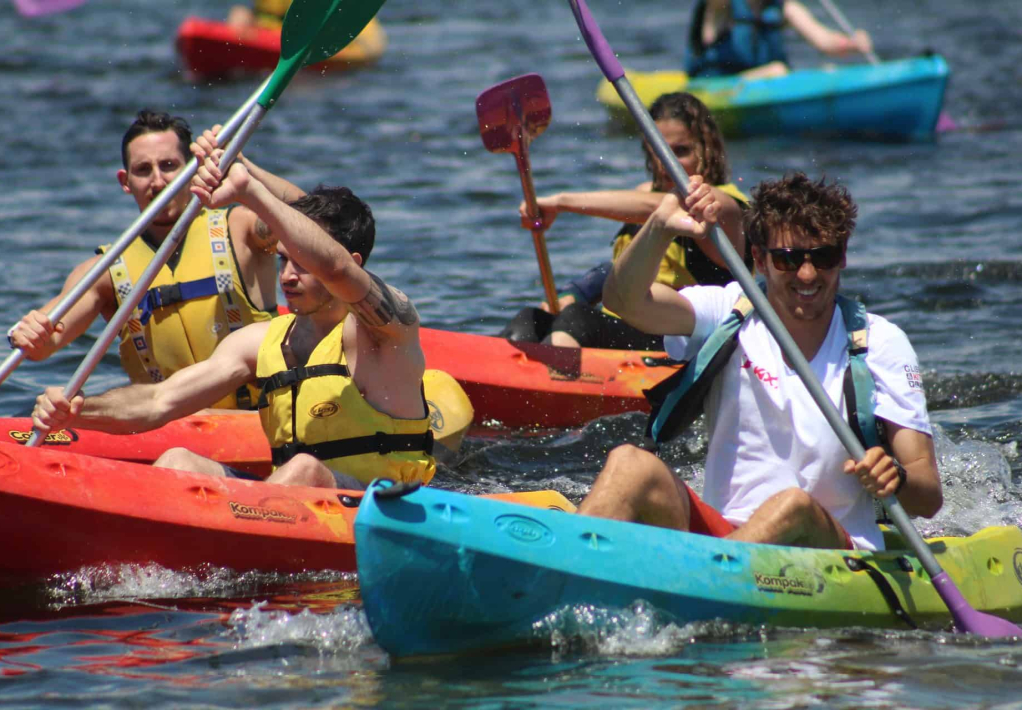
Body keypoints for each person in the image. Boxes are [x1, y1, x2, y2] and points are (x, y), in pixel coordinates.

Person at [31, 135, 436, 490]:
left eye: (301, 263)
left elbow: (335, 268)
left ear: (353, 261)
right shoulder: (261, 342)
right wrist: (78, 411)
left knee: (304, 469)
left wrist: (249, 191)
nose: (288, 277)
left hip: (384, 503)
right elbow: (158, 401)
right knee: (178, 461)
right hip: (283, 503)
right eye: (283, 262)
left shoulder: (386, 330)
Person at [576, 172, 941, 551]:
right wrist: (660, 227)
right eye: (787, 259)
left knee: (792, 505)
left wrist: (895, 477)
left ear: (843, 257)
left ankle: (707, 581)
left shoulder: (880, 343)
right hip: (728, 537)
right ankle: (561, 568)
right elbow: (624, 302)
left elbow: (928, 496)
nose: (807, 274)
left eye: (824, 257)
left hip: (831, 549)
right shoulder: (729, 311)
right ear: (758, 259)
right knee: (629, 463)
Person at [9, 109, 298, 409]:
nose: (158, 182)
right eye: (144, 170)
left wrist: (242, 170)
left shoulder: (242, 230)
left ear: (192, 168)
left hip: (258, 419)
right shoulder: (106, 272)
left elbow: (317, 221)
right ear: (125, 181)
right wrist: (25, 333)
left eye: (170, 166)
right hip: (166, 427)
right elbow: (44, 345)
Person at [499, 92, 749, 350]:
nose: (667, 163)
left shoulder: (724, 205)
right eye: (658, 150)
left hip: (680, 341)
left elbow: (666, 207)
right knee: (530, 321)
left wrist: (562, 202)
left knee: (577, 322)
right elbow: (619, 267)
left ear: (709, 150)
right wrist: (577, 293)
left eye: (681, 151)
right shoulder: (641, 196)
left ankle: (549, 384)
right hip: (624, 330)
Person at [686, 0, 874, 79]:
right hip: (717, 83)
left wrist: (853, 44)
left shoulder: (784, 7)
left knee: (827, 70)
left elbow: (826, 42)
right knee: (778, 70)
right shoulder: (720, 6)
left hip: (767, 80)